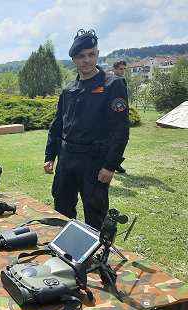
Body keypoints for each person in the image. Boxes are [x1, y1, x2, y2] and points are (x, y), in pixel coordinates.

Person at [43, 29, 130, 231]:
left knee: (95, 213)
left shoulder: (112, 85)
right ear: (73, 59)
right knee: (62, 208)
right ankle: (66, 251)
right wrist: (50, 156)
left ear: (98, 54)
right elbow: (57, 125)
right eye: (81, 56)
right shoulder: (68, 89)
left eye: (91, 54)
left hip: (94, 161)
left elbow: (120, 129)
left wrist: (110, 165)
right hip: (67, 159)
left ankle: (97, 259)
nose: (87, 60)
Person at [112, 60, 128, 174]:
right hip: (113, 117)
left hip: (121, 114)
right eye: (120, 69)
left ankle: (116, 162)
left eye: (124, 69)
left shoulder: (121, 80)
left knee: (122, 140)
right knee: (118, 140)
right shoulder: (111, 81)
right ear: (114, 69)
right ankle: (114, 163)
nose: (122, 71)